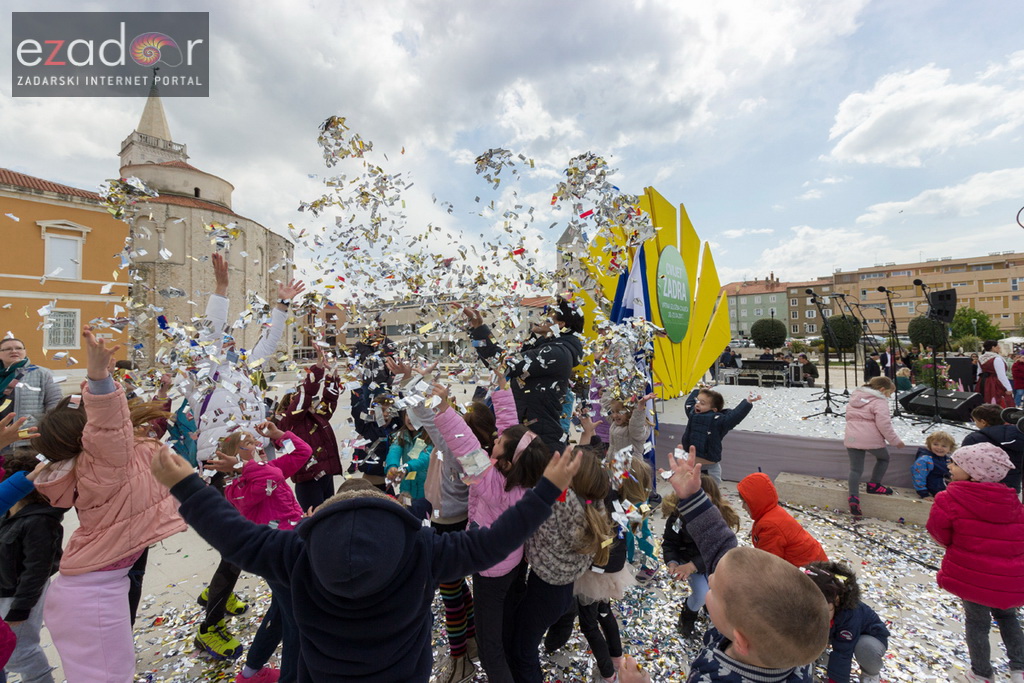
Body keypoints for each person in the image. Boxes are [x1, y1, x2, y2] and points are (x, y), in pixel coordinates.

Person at [149, 433, 582, 682]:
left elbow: (237, 538)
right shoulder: (421, 549)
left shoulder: (297, 551)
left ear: (318, 516)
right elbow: (493, 542)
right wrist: (545, 491)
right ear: (391, 508)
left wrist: (189, 487)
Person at [31, 326, 186, 682]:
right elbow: (108, 428)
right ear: (88, 435)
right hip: (92, 598)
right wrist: (99, 378)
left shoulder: (104, 466)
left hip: (92, 590)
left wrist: (162, 392)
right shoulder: (103, 463)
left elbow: (133, 431)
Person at [183, 253, 305, 659]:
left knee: (236, 544)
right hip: (224, 470)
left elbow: (268, 341)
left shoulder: (244, 376)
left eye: (235, 342)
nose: (231, 346)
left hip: (248, 470)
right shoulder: (207, 374)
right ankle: (209, 627)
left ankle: (214, 595)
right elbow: (212, 331)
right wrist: (220, 290)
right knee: (239, 548)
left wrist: (282, 305)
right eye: (225, 343)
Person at [652, 446, 830, 681]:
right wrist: (693, 497)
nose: (712, 577)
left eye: (715, 589)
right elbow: (721, 548)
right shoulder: (793, 655)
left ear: (741, 641)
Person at [205, 421, 312, 683]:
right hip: (275, 555)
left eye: (254, 440)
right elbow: (272, 480)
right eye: (247, 442)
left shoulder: (264, 467)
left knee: (280, 614)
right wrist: (243, 467)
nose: (254, 443)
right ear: (233, 452)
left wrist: (280, 435)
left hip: (293, 546)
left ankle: (250, 673)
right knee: (296, 622)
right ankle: (291, 678)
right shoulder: (235, 486)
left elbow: (303, 453)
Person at [545, 454, 652, 683]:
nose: (607, 466)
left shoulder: (602, 501)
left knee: (589, 624)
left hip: (596, 572)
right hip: (613, 568)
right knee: (605, 612)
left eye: (613, 466)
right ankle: (616, 657)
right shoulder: (625, 503)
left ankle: (609, 674)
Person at [509, 446, 610, 683]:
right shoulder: (593, 506)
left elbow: (526, 516)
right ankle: (558, 635)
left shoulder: (557, 505)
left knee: (523, 650)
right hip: (564, 587)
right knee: (563, 610)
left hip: (546, 590)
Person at [926, 443, 1024, 683]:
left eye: (956, 463)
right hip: (1008, 577)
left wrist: (955, 546)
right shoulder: (1011, 498)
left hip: (974, 576)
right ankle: (1019, 668)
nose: (949, 465)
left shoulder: (950, 497)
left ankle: (981, 673)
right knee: (1008, 617)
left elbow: (939, 532)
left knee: (977, 622)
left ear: (974, 472)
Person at [466, 298, 585, 453]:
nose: (539, 317)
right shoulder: (548, 346)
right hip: (534, 436)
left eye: (547, 314)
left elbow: (504, 364)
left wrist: (480, 328)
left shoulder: (556, 353)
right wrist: (476, 330)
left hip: (540, 443)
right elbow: (499, 364)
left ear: (560, 324)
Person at [0, 450, 64, 683]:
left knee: (21, 651)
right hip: (4, 592)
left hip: (17, 597)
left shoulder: (39, 520)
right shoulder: (6, 512)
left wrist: (21, 608)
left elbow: (37, 570)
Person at [662, 474, 740, 638]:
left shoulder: (719, 518)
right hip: (690, 563)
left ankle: (710, 610)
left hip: (712, 564)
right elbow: (670, 542)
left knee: (716, 592)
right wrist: (673, 562)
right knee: (700, 595)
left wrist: (693, 565)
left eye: (704, 498)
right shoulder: (678, 517)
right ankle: (687, 616)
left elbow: (719, 548)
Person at [277, 349, 343, 511]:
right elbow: (304, 396)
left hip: (325, 474)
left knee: (329, 516)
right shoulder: (289, 420)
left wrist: (332, 376)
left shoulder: (316, 416)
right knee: (314, 519)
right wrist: (318, 369)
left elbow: (329, 400)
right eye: (297, 396)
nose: (304, 399)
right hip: (307, 479)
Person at [804, 561, 890, 683]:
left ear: (836, 600)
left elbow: (842, 653)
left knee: (865, 647)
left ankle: (870, 674)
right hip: (833, 631)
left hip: (866, 635)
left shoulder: (849, 615)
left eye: (823, 611)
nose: (819, 616)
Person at [844, 377, 906, 517]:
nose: (889, 397)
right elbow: (884, 424)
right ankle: (874, 485)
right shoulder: (879, 401)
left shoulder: (855, 397)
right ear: (882, 390)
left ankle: (853, 498)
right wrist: (895, 441)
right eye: (889, 393)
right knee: (884, 458)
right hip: (870, 438)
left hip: (852, 437)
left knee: (855, 469)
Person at [736, 472, 828, 567]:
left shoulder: (769, 525)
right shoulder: (772, 512)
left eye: (745, 502)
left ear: (756, 501)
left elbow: (769, 565)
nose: (743, 507)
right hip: (814, 563)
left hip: (810, 573)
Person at [680, 388, 760, 483]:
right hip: (690, 466)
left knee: (710, 494)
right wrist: (698, 390)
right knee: (689, 493)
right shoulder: (693, 414)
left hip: (708, 469)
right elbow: (688, 404)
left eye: (702, 403)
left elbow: (735, 416)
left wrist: (747, 402)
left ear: (714, 410)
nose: (697, 404)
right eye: (697, 401)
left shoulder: (718, 421)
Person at [0, 337, 61, 453]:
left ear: (25, 351)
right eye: (8, 349)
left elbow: (54, 405)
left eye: (18, 348)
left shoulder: (43, 373)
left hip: (27, 439)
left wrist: (48, 432)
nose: (14, 351)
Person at [961, 403, 1024, 495]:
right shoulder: (1019, 434)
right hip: (1012, 486)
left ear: (983, 422)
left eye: (975, 421)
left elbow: (964, 464)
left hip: (983, 487)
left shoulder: (974, 439)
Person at [912, 431, 955, 500]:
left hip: (945, 486)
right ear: (929, 444)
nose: (939, 448)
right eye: (935, 444)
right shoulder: (925, 460)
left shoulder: (948, 459)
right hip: (933, 489)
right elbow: (919, 477)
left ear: (950, 449)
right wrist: (924, 494)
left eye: (944, 446)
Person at [977, 340, 1014, 408]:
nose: (999, 347)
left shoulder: (981, 358)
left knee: (985, 400)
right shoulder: (997, 359)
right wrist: (1008, 388)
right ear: (993, 347)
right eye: (998, 346)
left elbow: (979, 373)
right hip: (994, 383)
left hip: (982, 382)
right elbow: (1001, 375)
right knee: (998, 401)